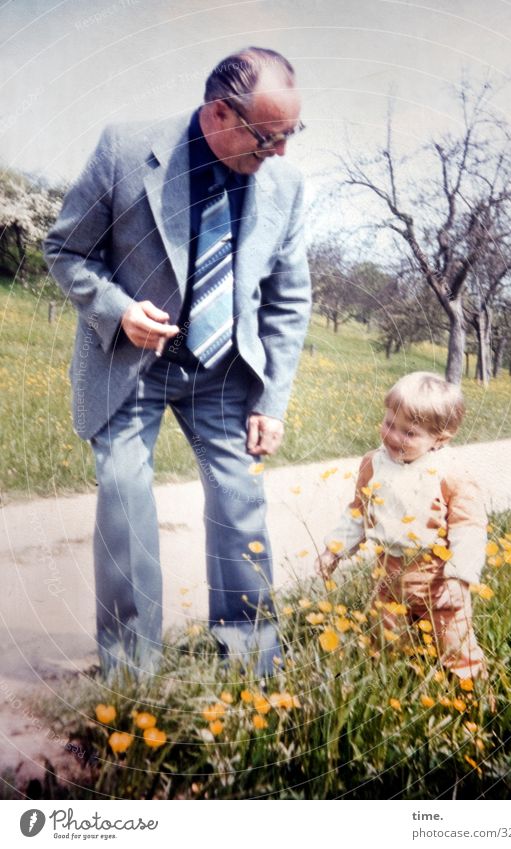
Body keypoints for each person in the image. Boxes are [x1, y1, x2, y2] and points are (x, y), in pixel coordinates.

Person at [44, 47, 311, 679]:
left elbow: (288, 300)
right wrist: (116, 309)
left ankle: (251, 663)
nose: (281, 153)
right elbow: (65, 250)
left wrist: (272, 401)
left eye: (292, 135)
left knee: (240, 495)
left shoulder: (287, 184)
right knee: (126, 495)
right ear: (220, 113)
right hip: (131, 362)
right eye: (269, 137)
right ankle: (131, 671)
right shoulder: (124, 149)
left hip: (223, 370)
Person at [315, 372, 487, 680]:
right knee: (389, 642)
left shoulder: (452, 474)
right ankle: (397, 686)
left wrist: (460, 578)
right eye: (389, 424)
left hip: (437, 577)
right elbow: (359, 511)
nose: (393, 437)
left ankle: (473, 698)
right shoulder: (374, 463)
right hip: (388, 572)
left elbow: (469, 529)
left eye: (409, 432)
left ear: (441, 438)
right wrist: (334, 550)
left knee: (454, 644)